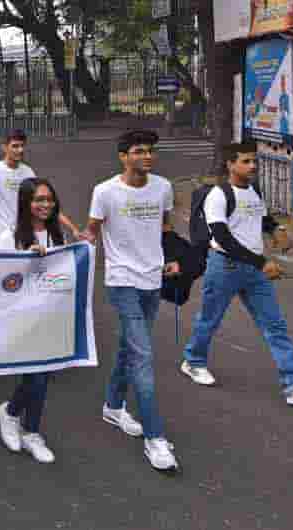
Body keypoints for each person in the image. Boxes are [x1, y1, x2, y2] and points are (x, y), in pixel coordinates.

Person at [182, 144, 293, 408]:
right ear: (230, 164)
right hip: (225, 266)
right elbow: (223, 238)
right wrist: (261, 262)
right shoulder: (218, 195)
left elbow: (261, 218)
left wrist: (277, 229)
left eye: (254, 161)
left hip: (254, 270)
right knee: (209, 319)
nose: (252, 166)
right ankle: (193, 361)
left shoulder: (254, 190)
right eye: (245, 161)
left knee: (275, 326)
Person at [85, 130, 180, 473]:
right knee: (142, 355)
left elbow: (165, 226)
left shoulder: (163, 187)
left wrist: (173, 256)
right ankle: (155, 438)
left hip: (152, 279)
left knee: (130, 348)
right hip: (122, 280)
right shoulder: (105, 192)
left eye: (150, 151)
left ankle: (113, 405)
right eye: (139, 151)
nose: (147, 156)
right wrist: (76, 251)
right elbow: (92, 231)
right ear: (123, 157)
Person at [0, 178, 67, 465]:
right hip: (20, 319)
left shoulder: (58, 236)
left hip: (49, 317)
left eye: (49, 199)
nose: (45, 205)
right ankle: (32, 431)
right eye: (39, 199)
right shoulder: (8, 238)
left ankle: (11, 412)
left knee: (41, 376)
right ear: (26, 203)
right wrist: (28, 261)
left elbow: (63, 275)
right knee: (37, 375)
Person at [0, 131, 37, 246]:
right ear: (4, 148)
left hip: (22, 237)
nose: (20, 150)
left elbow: (33, 206)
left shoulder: (29, 172)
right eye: (15, 146)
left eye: (22, 146)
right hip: (0, 236)